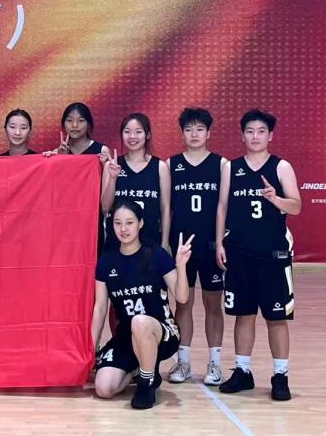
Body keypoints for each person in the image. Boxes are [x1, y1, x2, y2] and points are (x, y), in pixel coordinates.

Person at [216, 109, 302, 402]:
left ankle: (280, 375)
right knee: (244, 314)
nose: (255, 136)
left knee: (277, 317)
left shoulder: (282, 167)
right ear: (242, 135)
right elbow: (222, 207)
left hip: (272, 254)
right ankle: (243, 371)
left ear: (270, 136)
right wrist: (219, 243)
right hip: (239, 252)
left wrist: (276, 199)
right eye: (250, 131)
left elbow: (296, 206)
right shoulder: (231, 167)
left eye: (261, 131)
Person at [91, 201, 192, 409]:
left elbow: (182, 298)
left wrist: (181, 266)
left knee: (140, 322)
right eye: (118, 223)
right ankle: (139, 368)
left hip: (162, 333)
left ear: (140, 223)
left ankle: (147, 382)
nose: (123, 228)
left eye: (129, 222)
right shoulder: (106, 262)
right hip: (128, 335)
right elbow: (100, 308)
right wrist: (91, 348)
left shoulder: (156, 255)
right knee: (104, 388)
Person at [166, 107, 226, 386]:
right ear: (182, 133)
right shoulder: (171, 164)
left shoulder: (221, 164)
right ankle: (184, 362)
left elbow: (223, 208)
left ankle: (215, 364)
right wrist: (167, 244)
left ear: (208, 133)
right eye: (189, 129)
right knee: (183, 304)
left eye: (199, 129)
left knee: (213, 305)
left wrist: (221, 242)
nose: (194, 134)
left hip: (210, 246)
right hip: (181, 247)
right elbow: (167, 208)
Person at [100, 113, 171, 254]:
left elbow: (166, 208)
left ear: (148, 135)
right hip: (117, 244)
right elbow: (105, 208)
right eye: (127, 132)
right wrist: (113, 177)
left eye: (138, 132)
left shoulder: (160, 167)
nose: (132, 136)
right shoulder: (112, 165)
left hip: (150, 243)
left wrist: (164, 243)